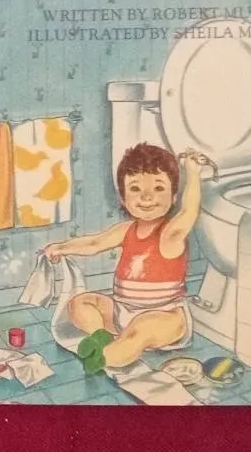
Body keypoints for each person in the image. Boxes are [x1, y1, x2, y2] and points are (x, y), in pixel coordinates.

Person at [43, 142, 210, 371]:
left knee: (141, 329)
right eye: (135, 189)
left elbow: (190, 211)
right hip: (122, 310)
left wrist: (193, 173)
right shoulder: (126, 230)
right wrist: (62, 247)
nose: (147, 197)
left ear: (173, 197)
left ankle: (107, 356)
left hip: (164, 314)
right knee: (80, 304)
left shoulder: (169, 234)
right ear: (123, 198)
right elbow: (95, 243)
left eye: (158, 188)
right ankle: (101, 337)